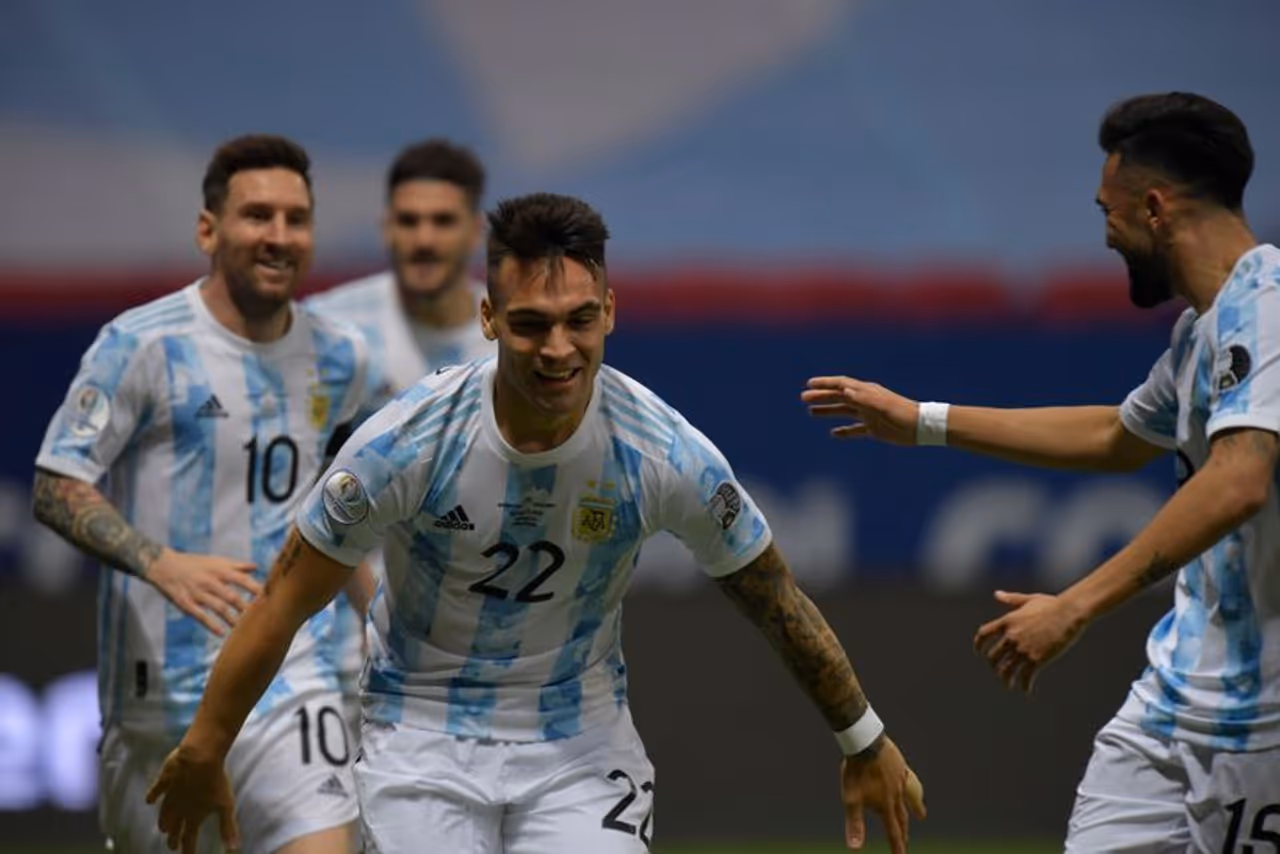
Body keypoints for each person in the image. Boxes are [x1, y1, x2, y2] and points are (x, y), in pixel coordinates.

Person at [147, 192, 926, 854]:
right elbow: (283, 599)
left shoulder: (662, 453)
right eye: (530, 324)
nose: (558, 349)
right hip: (419, 734)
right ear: (488, 318)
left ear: (610, 311)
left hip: (580, 745)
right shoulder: (407, 443)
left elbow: (774, 598)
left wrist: (863, 739)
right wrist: (206, 747)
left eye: (580, 319)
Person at [802, 92, 1280, 851]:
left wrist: (1075, 606)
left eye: (1108, 213)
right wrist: (922, 420)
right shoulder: (1201, 332)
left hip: (1263, 726)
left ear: (1155, 208)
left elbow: (1239, 479)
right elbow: (1116, 435)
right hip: (1172, 703)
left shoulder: (1268, 307)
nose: (1107, 236)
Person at [33, 134, 374, 854]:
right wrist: (160, 562)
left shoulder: (342, 354)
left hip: (291, 678)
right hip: (158, 696)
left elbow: (336, 507)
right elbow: (57, 483)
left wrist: (381, 611)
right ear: (208, 230)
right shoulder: (141, 345)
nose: (279, 235)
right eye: (257, 215)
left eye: (296, 218)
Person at [305, 138, 495, 735]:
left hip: (479, 653)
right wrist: (375, 623)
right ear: (386, 227)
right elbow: (309, 489)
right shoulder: (329, 330)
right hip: (338, 652)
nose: (424, 239)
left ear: (475, 231)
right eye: (409, 221)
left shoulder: (514, 337)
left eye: (442, 221)